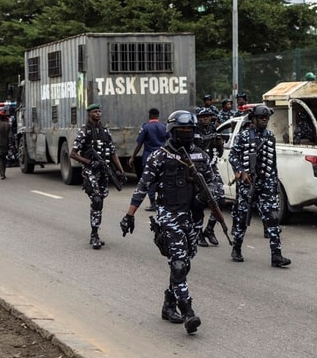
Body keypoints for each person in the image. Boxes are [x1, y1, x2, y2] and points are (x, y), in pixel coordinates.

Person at [119, 110, 213, 334]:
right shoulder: (159, 156)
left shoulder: (200, 156)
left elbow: (214, 183)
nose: (187, 133)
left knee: (185, 264)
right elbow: (142, 186)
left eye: (190, 129)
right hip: (169, 216)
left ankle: (168, 304)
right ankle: (188, 311)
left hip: (194, 218)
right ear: (172, 130)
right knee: (178, 264)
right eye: (182, 129)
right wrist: (129, 215)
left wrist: (206, 197)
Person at [228, 104, 291, 267]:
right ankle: (236, 248)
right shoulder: (243, 136)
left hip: (267, 183)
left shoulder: (270, 136)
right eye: (261, 118)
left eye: (266, 118)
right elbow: (233, 155)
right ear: (254, 119)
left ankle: (276, 256)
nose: (264, 120)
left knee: (272, 218)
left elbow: (273, 161)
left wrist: (274, 181)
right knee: (242, 218)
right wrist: (241, 171)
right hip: (248, 184)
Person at [70, 103, 126, 250]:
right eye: (95, 111)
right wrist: (89, 162)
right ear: (89, 114)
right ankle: (94, 234)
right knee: (96, 200)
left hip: (104, 171)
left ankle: (94, 231)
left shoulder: (105, 131)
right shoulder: (84, 132)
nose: (98, 114)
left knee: (100, 201)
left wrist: (120, 170)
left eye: (100, 111)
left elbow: (113, 153)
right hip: (90, 172)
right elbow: (73, 153)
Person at [194, 107, 225, 247]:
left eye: (208, 116)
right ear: (198, 118)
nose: (206, 119)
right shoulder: (194, 130)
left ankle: (210, 229)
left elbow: (219, 152)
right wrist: (212, 137)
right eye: (203, 117)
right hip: (196, 169)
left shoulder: (213, 129)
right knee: (199, 201)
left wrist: (219, 144)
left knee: (220, 197)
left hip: (210, 167)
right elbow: (198, 142)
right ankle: (198, 232)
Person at [129, 108, 168, 211]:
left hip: (149, 156)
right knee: (163, 179)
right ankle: (162, 202)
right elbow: (170, 139)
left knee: (150, 180)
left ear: (149, 115)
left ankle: (153, 203)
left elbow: (139, 143)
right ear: (158, 115)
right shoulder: (164, 126)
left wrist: (133, 156)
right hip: (163, 156)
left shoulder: (146, 127)